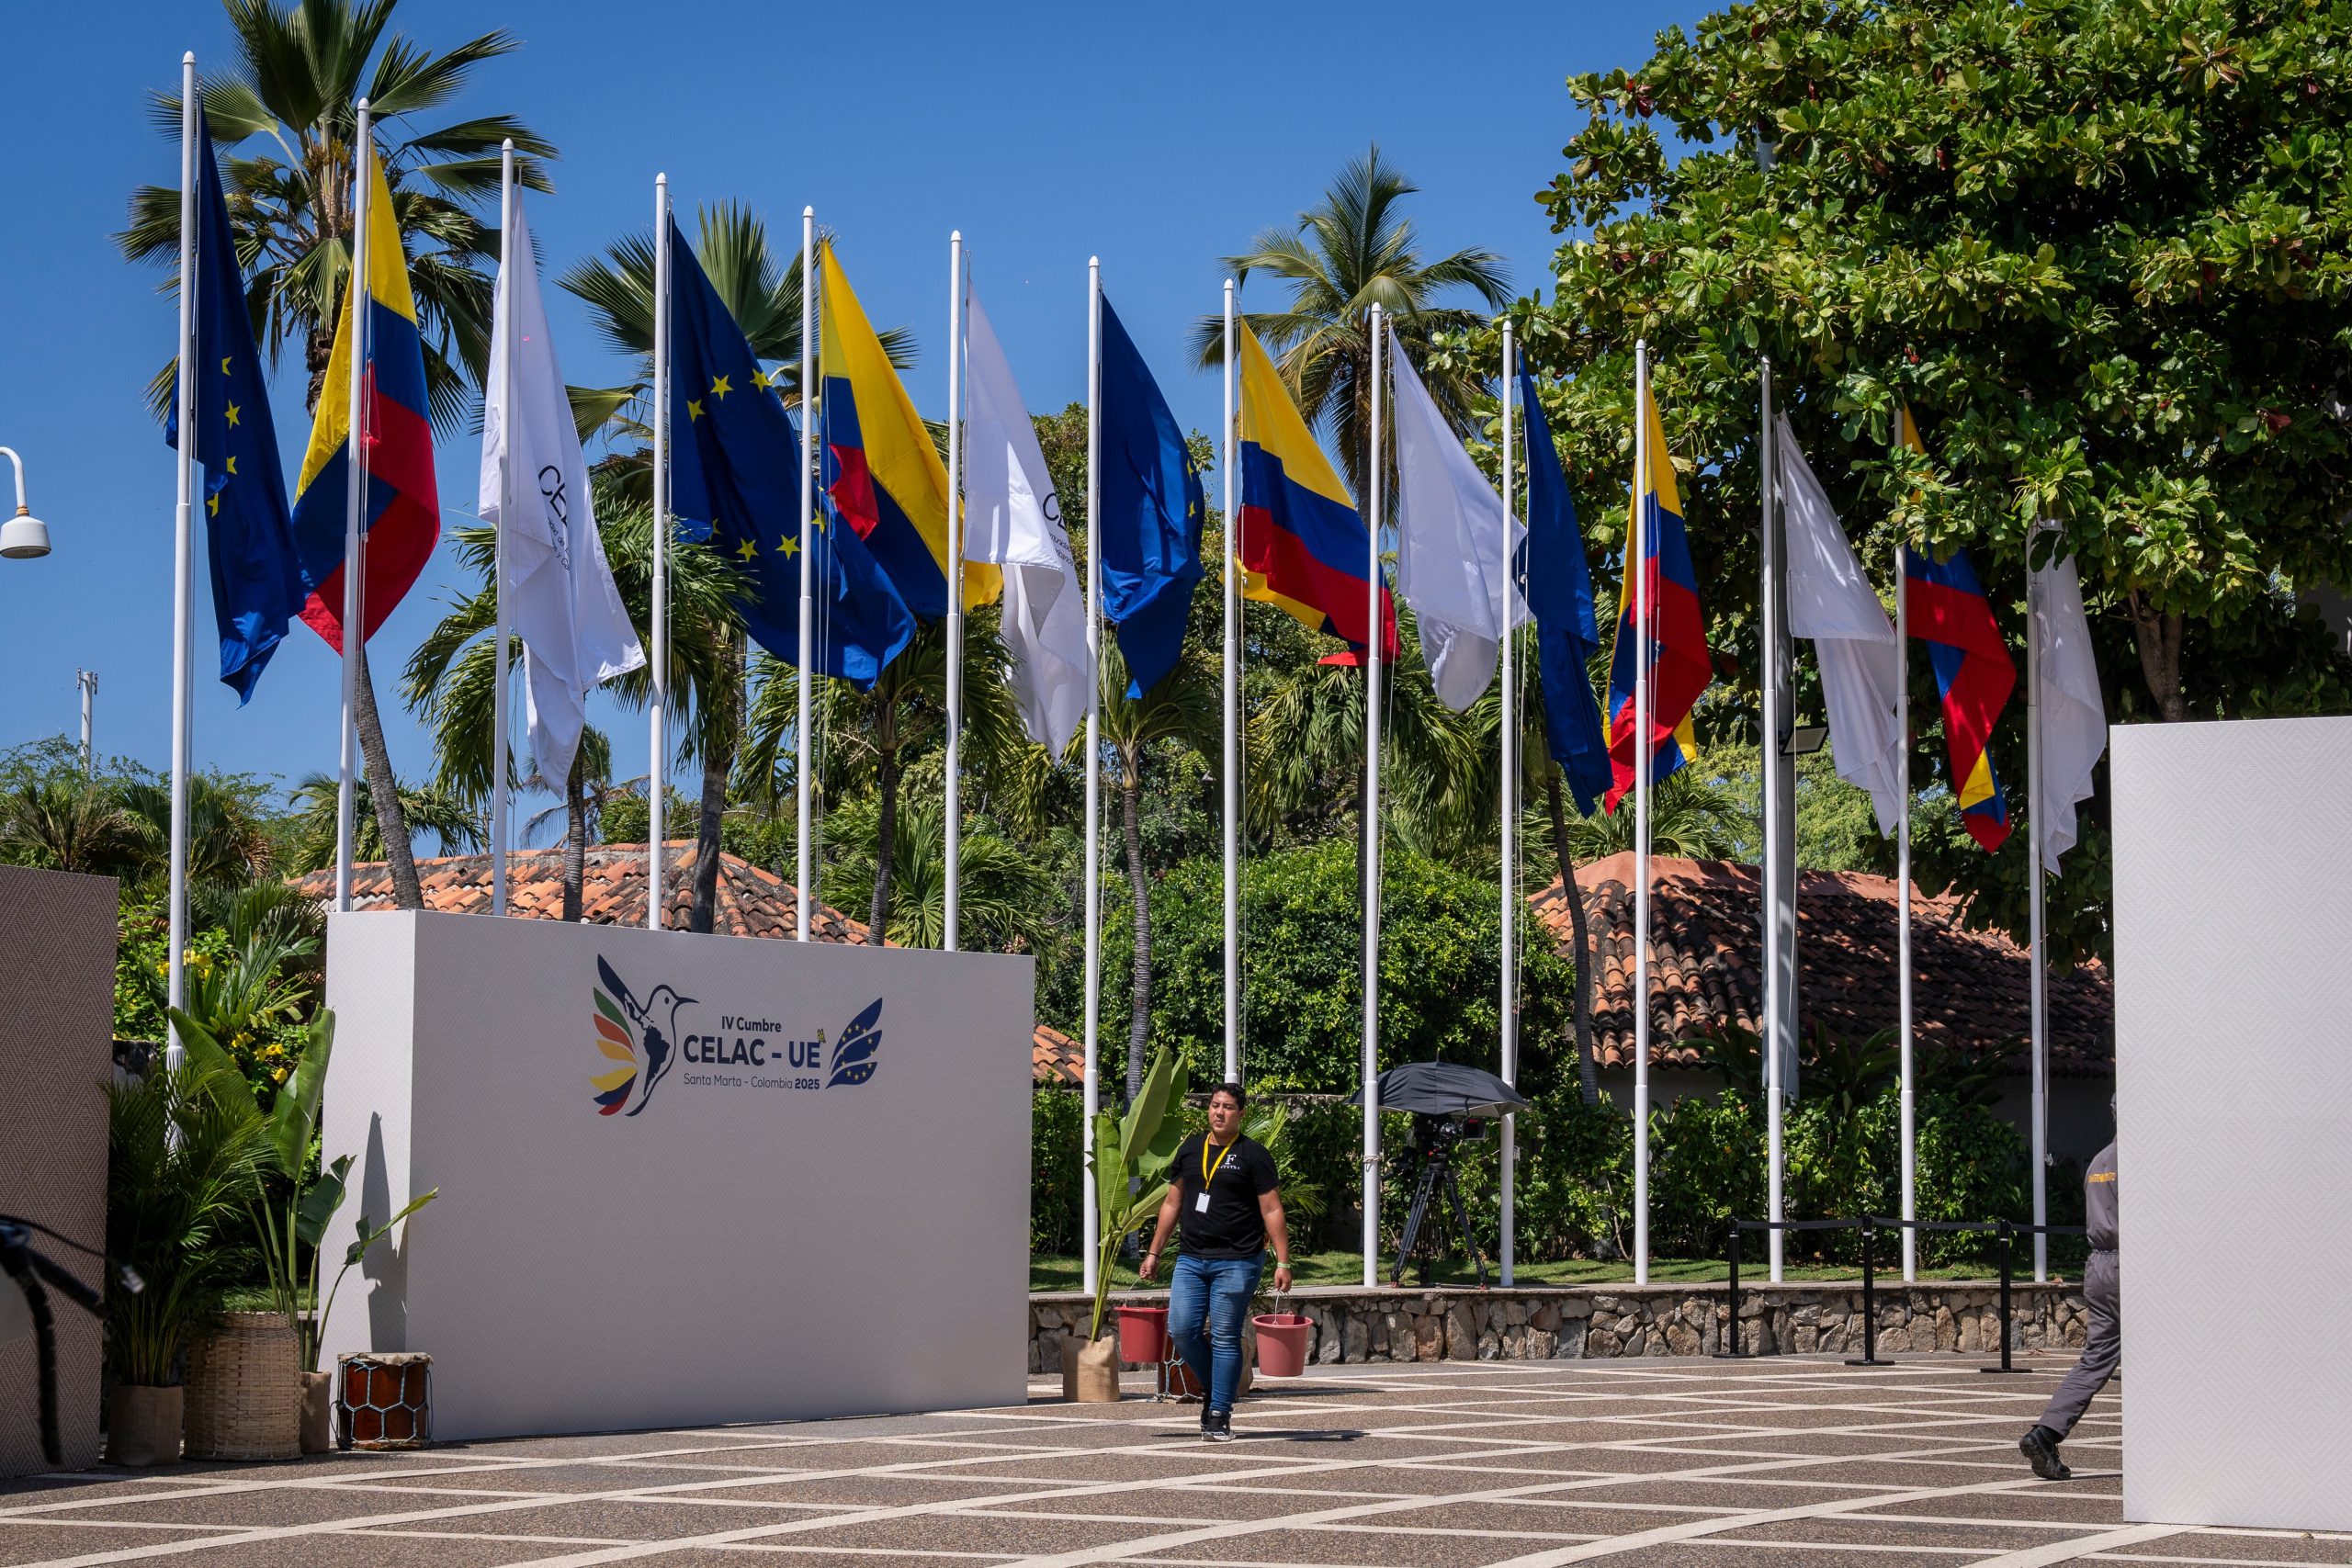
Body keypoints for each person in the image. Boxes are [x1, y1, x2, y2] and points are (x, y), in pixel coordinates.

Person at [1137, 1082, 1292, 1443]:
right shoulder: (1191, 1150)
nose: (1219, 1112)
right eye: (1214, 1106)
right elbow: (1172, 1203)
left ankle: (1219, 1412)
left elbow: (1271, 1208)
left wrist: (1283, 1261)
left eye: (1227, 1107)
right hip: (1191, 1259)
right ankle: (1218, 1388)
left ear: (1241, 1114)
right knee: (1181, 1330)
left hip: (1237, 1261)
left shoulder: (1253, 1155)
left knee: (1224, 1337)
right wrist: (1154, 1251)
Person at [2021, 1139, 2119, 1481]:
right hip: (2131, 1264)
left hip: (2099, 1266)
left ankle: (2046, 1433)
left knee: (2096, 1358)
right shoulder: (2140, 1159)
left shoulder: (2099, 1159)